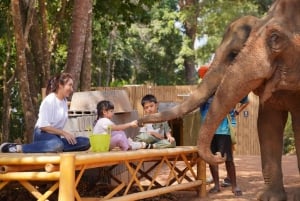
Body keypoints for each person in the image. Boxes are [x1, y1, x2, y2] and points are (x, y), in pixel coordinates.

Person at [0, 73, 90, 153]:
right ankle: (17, 148)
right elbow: (43, 126)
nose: (72, 89)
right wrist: (64, 133)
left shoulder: (64, 102)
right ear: (60, 85)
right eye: (69, 85)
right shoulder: (49, 100)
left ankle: (55, 148)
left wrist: (63, 135)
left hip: (55, 138)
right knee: (56, 144)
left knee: (85, 142)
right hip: (42, 134)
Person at [199, 66, 242, 196]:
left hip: (223, 130)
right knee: (211, 159)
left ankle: (234, 185)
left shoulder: (223, 90)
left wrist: (235, 110)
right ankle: (217, 185)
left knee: (228, 158)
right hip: (208, 131)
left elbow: (241, 100)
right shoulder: (202, 92)